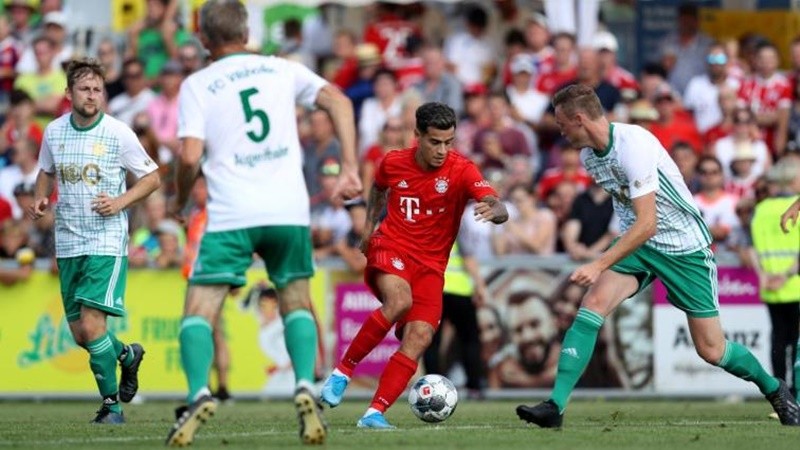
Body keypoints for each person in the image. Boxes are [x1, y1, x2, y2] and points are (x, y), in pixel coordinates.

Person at [515, 84, 800, 428]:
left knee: (711, 350)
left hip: (684, 248)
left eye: (562, 123)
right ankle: (555, 407)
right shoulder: (591, 156)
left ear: (579, 118)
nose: (559, 131)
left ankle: (774, 389)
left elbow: (647, 222)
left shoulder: (633, 145)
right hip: (641, 246)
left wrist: (599, 262)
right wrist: (610, 260)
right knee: (592, 306)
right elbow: (633, 218)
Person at [164, 1, 361, 446]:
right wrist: (350, 165)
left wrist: (180, 199)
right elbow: (339, 100)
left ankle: (198, 394)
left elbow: (191, 156)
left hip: (232, 214)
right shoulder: (281, 69)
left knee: (199, 310)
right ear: (247, 29)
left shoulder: (198, 84)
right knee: (295, 299)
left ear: (203, 38)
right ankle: (306, 386)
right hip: (288, 211)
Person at [319, 102, 508, 428]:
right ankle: (342, 372)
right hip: (392, 247)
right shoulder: (393, 162)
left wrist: (495, 210)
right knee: (399, 300)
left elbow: (495, 202)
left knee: (420, 336)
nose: (442, 150)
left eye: (448, 142)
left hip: (432, 267)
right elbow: (378, 189)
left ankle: (374, 413)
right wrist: (367, 232)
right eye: (435, 142)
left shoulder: (462, 169)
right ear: (417, 135)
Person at [28, 57, 161, 423]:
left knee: (91, 326)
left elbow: (152, 178)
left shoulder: (119, 132)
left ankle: (111, 407)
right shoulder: (54, 132)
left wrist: (119, 202)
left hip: (106, 240)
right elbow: (46, 172)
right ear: (68, 93)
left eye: (98, 90)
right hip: (68, 242)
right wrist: (42, 196)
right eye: (85, 89)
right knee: (81, 336)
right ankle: (127, 356)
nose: (92, 95)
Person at [751, 160, 800, 394]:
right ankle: (796, 390)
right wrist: (787, 274)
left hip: (770, 285)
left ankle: (780, 390)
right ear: (791, 180)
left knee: (778, 340)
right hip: (795, 283)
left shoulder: (761, 209)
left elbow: (752, 248)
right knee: (796, 342)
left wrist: (763, 276)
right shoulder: (796, 206)